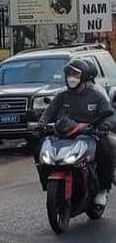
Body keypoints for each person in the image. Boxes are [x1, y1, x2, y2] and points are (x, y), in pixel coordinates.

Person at [38, 57, 116, 206]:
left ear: (84, 77)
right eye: (69, 74)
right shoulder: (62, 95)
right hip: (64, 134)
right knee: (39, 148)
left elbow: (110, 115)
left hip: (91, 134)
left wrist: (105, 126)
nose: (71, 78)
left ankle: (103, 189)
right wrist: (41, 125)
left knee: (106, 149)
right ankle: (46, 181)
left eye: (75, 75)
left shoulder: (96, 95)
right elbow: (48, 113)